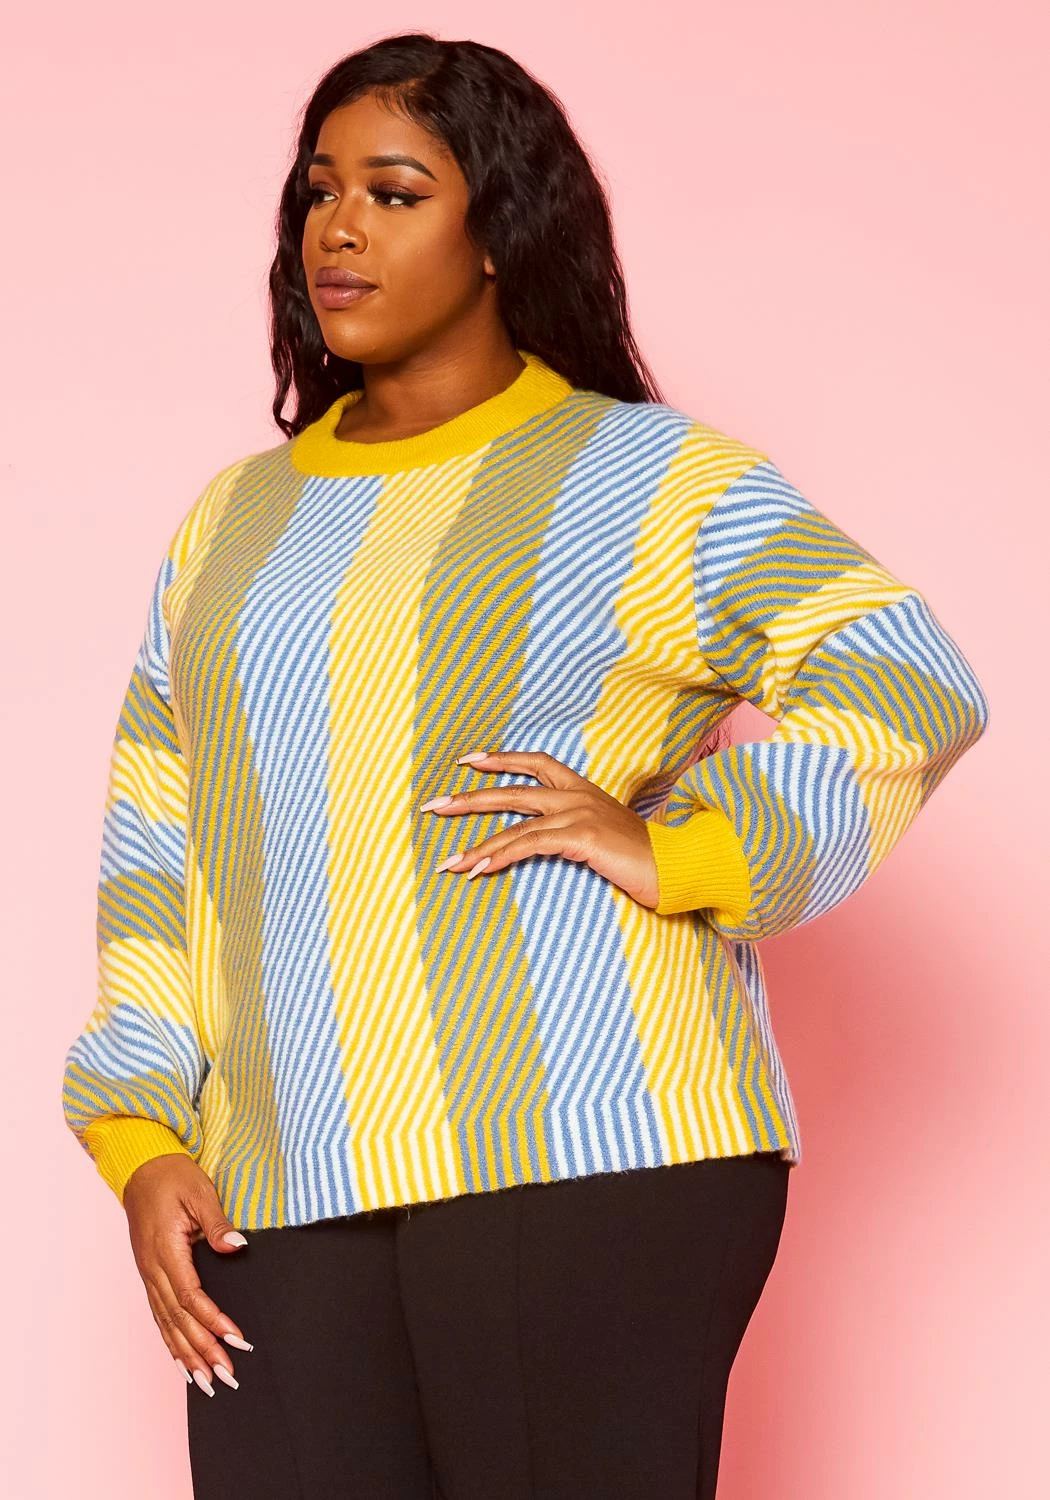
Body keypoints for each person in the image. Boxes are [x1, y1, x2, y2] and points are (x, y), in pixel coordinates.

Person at [60, 31, 990, 1500]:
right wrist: (136, 1130)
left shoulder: (643, 476)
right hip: (279, 1175)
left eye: (394, 192)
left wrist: (682, 847)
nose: (338, 228)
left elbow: (904, 674)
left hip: (590, 1148)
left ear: (498, 228)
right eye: (317, 191)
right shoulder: (230, 521)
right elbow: (156, 841)